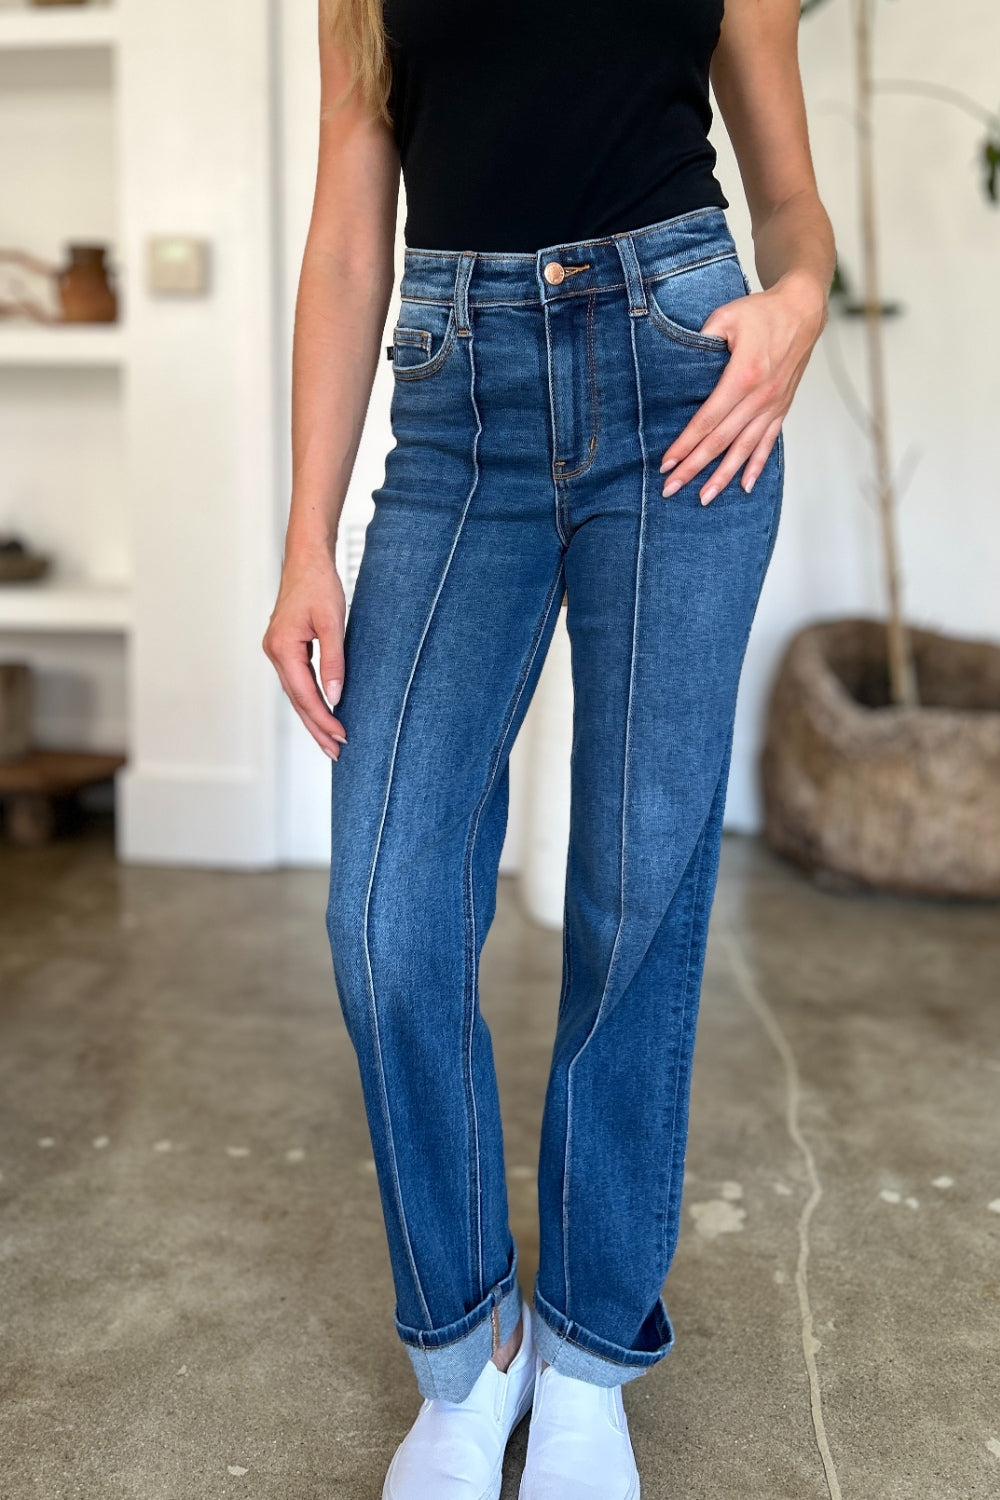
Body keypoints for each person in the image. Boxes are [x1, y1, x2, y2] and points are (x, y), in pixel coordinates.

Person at [264, 1, 835, 1495]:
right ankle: (472, 1357)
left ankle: (586, 1356)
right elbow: (345, 235)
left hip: (680, 374)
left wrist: (798, 305)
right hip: (459, 407)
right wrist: (305, 540)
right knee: (385, 911)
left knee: (640, 891)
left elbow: (790, 204)